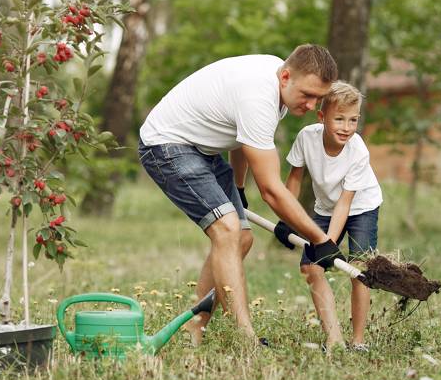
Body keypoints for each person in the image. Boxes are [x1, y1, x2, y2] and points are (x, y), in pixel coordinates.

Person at [138, 45, 342, 346]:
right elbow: (272, 191)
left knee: (242, 238)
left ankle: (196, 329)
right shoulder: (259, 96)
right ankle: (245, 338)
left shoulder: (280, 83)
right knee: (228, 229)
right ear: (285, 77)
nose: (312, 105)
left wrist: (239, 187)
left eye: (319, 98)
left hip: (203, 147)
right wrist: (320, 239)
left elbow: (243, 139)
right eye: (308, 95)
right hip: (167, 146)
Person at [275, 81, 383, 352]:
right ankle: (334, 339)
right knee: (311, 268)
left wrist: (328, 243)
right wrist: (286, 218)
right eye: (339, 119)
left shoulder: (358, 150)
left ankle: (358, 341)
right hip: (325, 208)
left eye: (353, 120)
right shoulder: (306, 138)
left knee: (359, 270)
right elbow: (294, 180)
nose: (347, 127)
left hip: (361, 207)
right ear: (321, 117)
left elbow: (345, 204)